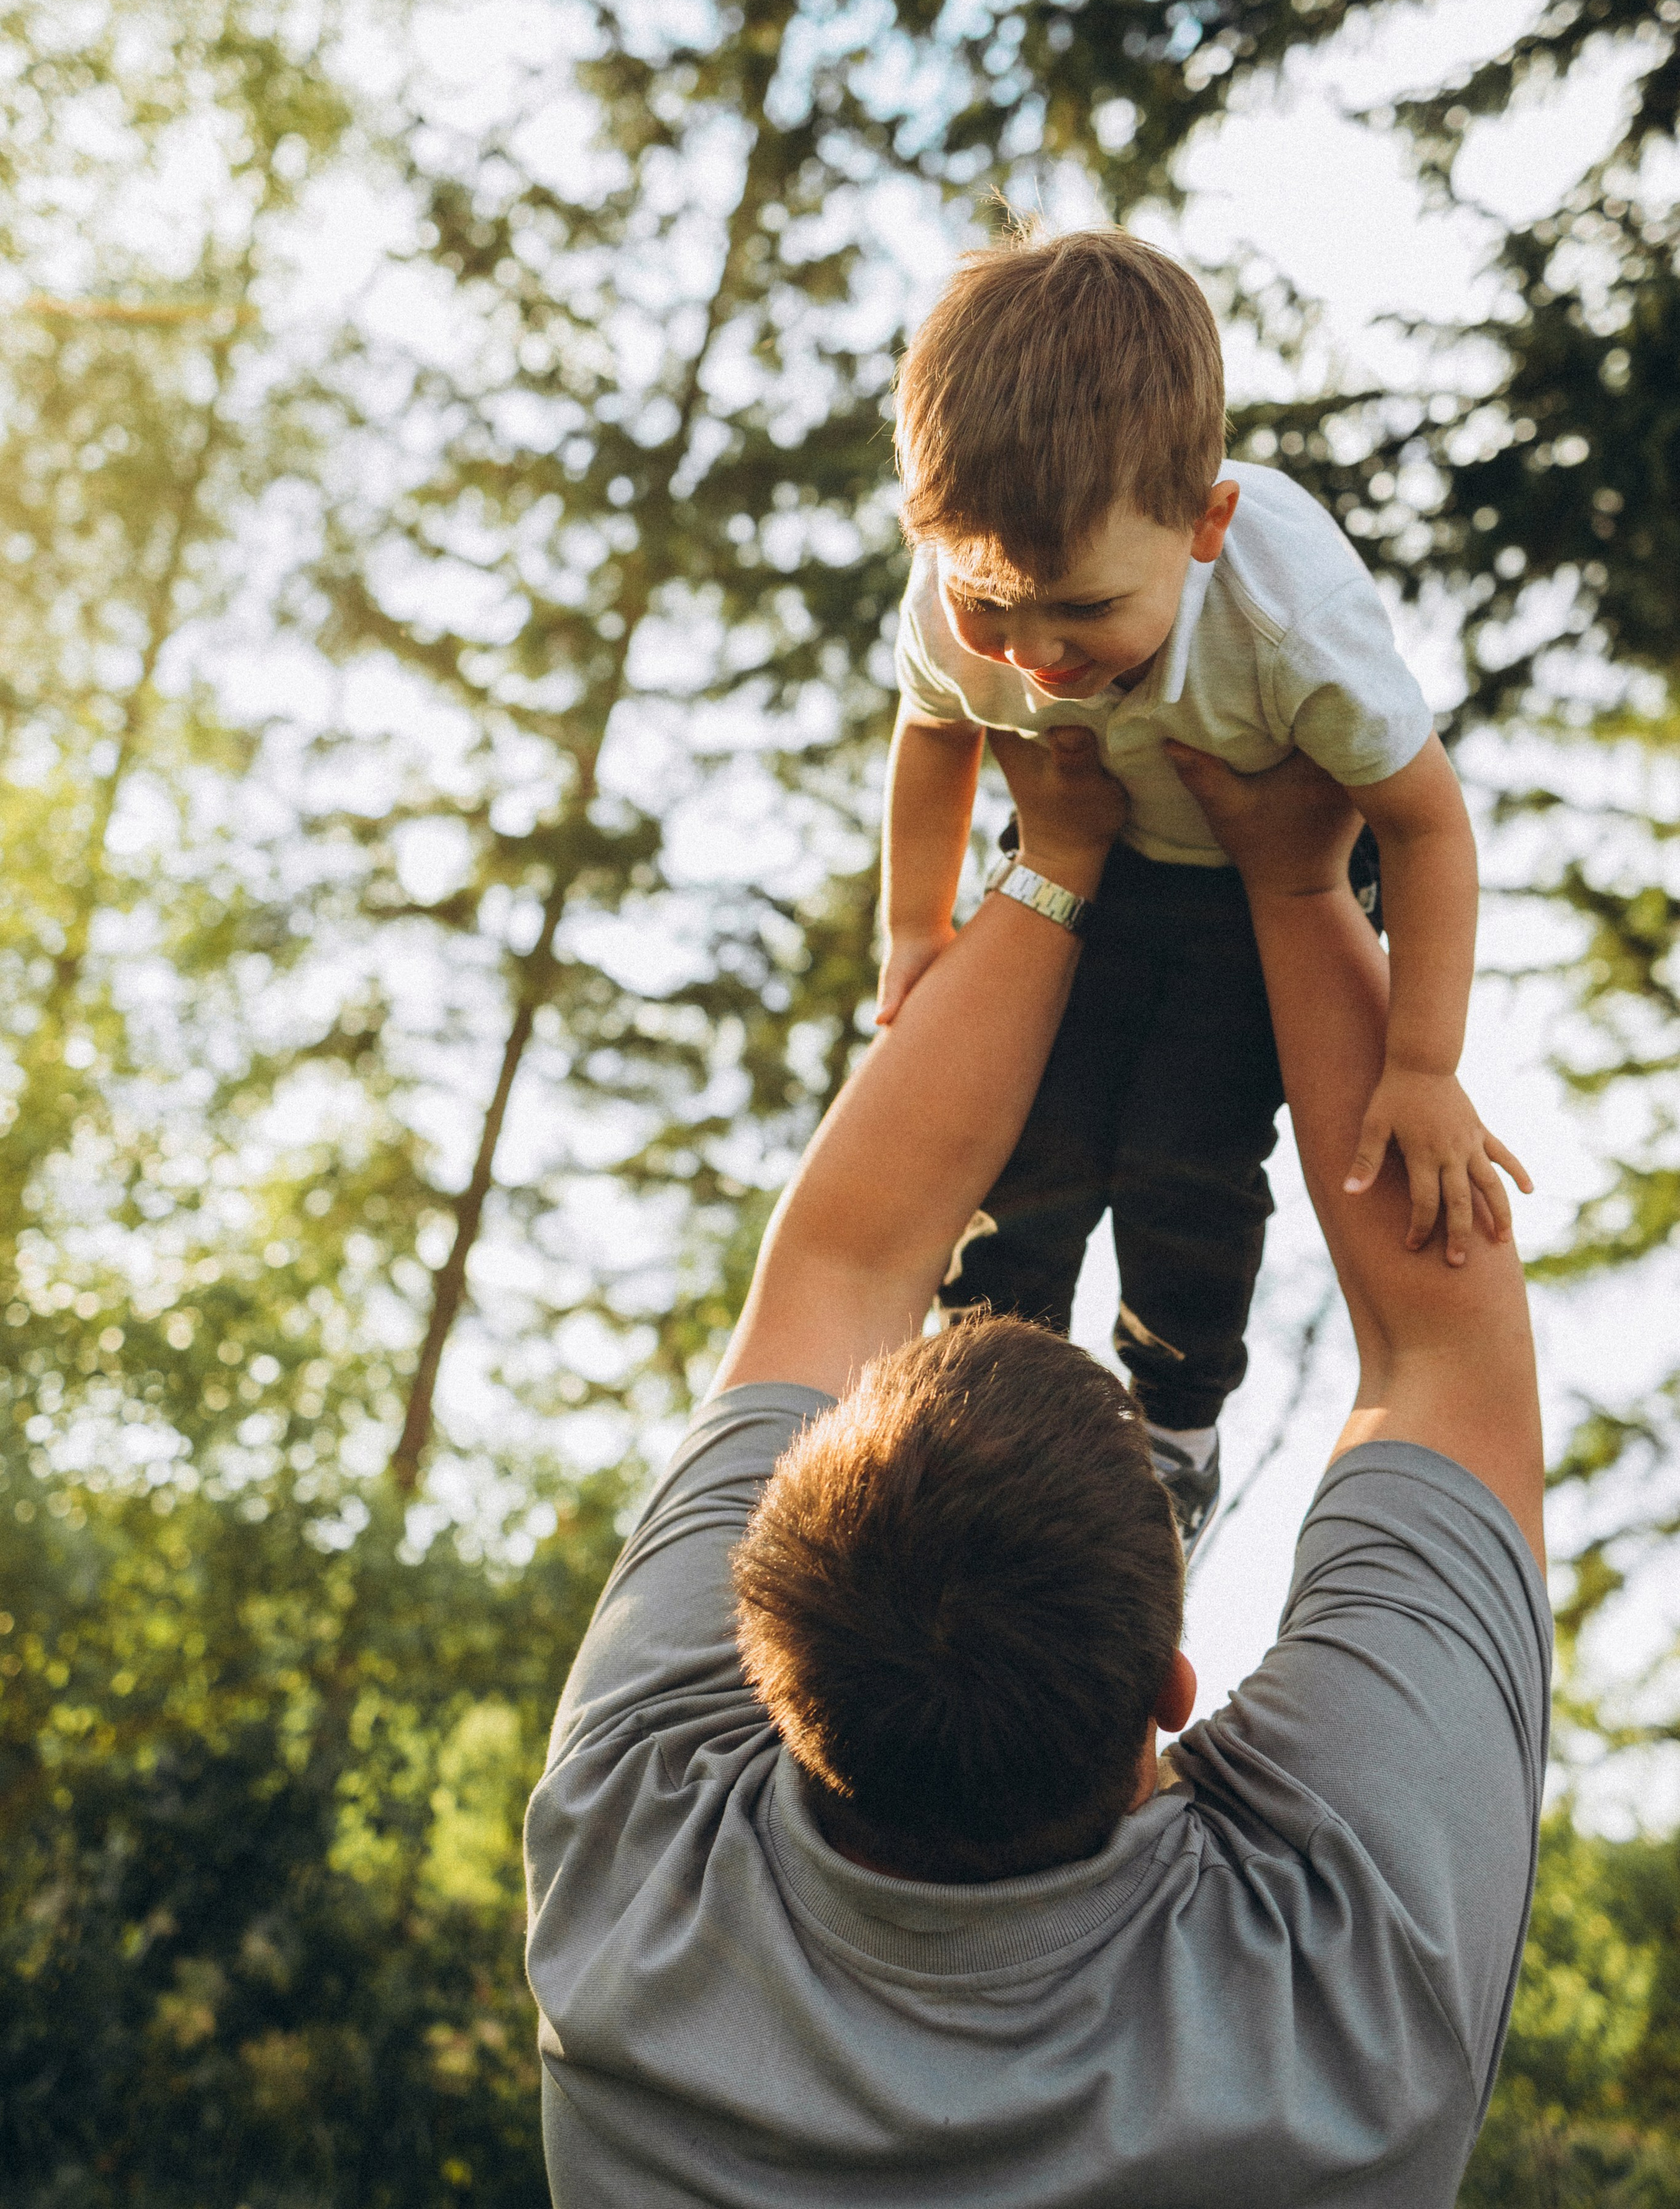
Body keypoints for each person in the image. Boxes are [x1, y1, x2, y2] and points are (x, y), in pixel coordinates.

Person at [524, 730, 1549, 2209]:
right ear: (1167, 1696)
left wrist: (1071, 867)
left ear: (765, 1666)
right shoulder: (1347, 2003)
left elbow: (841, 1256)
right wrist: (1285, 878)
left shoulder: (634, 1900)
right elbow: (1442, 1359)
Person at [879, 225, 1528, 1544]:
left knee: (1187, 1162)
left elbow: (1425, 825)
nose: (1034, 650)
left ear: (1203, 527)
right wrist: (912, 923)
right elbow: (935, 730)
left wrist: (1420, 1063)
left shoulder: (1289, 616)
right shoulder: (967, 586)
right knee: (1028, 1143)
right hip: (1088, 865)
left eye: (1079, 610)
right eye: (991, 608)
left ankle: (1171, 1427)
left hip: (1261, 902)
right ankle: (982, 1395)